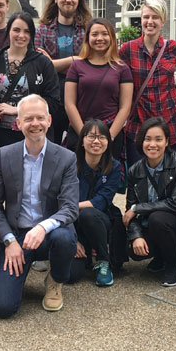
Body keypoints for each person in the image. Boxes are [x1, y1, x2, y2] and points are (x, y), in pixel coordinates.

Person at [0, 94, 79, 318]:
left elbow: (70, 208)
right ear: (18, 124)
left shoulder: (66, 158)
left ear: (49, 120)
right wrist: (8, 240)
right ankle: (21, 266)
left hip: (51, 232)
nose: (35, 124)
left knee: (64, 238)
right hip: (17, 235)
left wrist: (42, 227)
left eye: (40, 118)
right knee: (4, 308)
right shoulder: (4, 155)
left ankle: (55, 281)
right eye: (28, 119)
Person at [0, 11, 60, 217]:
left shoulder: (42, 63)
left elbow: (53, 101)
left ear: (32, 35)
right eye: (16, 30)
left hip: (30, 134)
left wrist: (17, 110)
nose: (21, 35)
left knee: (29, 184)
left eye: (26, 31)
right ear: (9, 31)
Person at [123, 117, 176, 287]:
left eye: (158, 139)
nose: (152, 144)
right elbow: (128, 209)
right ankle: (160, 256)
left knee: (157, 218)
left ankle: (173, 264)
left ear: (167, 142)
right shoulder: (135, 170)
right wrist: (136, 236)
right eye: (148, 139)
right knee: (134, 250)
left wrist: (138, 208)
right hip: (152, 225)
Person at [120, 0, 176, 167]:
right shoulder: (128, 49)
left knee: (168, 180)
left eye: (155, 17)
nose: (150, 21)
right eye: (146, 17)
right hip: (138, 126)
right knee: (138, 180)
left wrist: (175, 81)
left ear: (163, 21)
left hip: (169, 124)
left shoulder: (173, 48)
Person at [64, 17, 133, 159]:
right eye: (94, 34)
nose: (100, 38)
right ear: (87, 38)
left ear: (112, 37)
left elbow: (125, 107)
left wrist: (109, 137)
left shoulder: (122, 68)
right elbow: (69, 104)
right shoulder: (76, 66)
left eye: (104, 33)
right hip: (80, 133)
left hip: (111, 134)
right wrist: (84, 136)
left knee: (108, 178)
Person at [34, 0, 92, 144]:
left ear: (79, 0)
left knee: (78, 146)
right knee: (50, 145)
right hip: (52, 99)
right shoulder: (43, 30)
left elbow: (90, 62)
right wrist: (75, 59)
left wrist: (54, 64)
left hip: (82, 97)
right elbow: (40, 66)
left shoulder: (88, 29)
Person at [67, 120, 122, 287]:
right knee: (70, 276)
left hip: (100, 221)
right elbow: (60, 202)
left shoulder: (114, 166)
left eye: (102, 137)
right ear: (82, 141)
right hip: (73, 224)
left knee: (88, 213)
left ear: (108, 142)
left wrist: (72, 207)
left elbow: (102, 201)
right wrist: (72, 240)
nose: (96, 141)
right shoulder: (70, 164)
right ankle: (85, 251)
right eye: (91, 136)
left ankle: (103, 260)